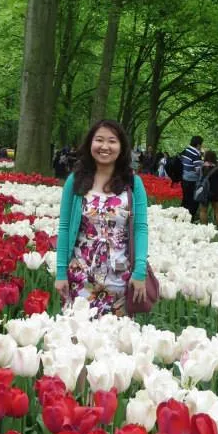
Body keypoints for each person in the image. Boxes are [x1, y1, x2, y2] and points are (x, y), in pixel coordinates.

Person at [55, 119, 149, 316]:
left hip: (120, 278)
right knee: (75, 331)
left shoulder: (133, 183)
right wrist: (61, 273)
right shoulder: (75, 181)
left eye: (112, 141)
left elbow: (140, 228)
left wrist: (140, 272)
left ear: (121, 147)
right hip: (80, 276)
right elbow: (64, 227)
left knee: (115, 334)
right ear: (90, 143)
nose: (105, 146)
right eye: (99, 140)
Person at [180, 136, 204, 222]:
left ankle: (181, 218)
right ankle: (189, 220)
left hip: (184, 178)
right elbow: (198, 170)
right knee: (193, 201)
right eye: (201, 144)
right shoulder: (196, 154)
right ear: (198, 145)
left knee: (185, 200)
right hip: (192, 181)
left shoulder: (185, 151)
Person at [197, 150, 218, 226]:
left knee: (203, 211)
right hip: (215, 191)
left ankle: (204, 229)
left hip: (204, 192)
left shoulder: (201, 168)